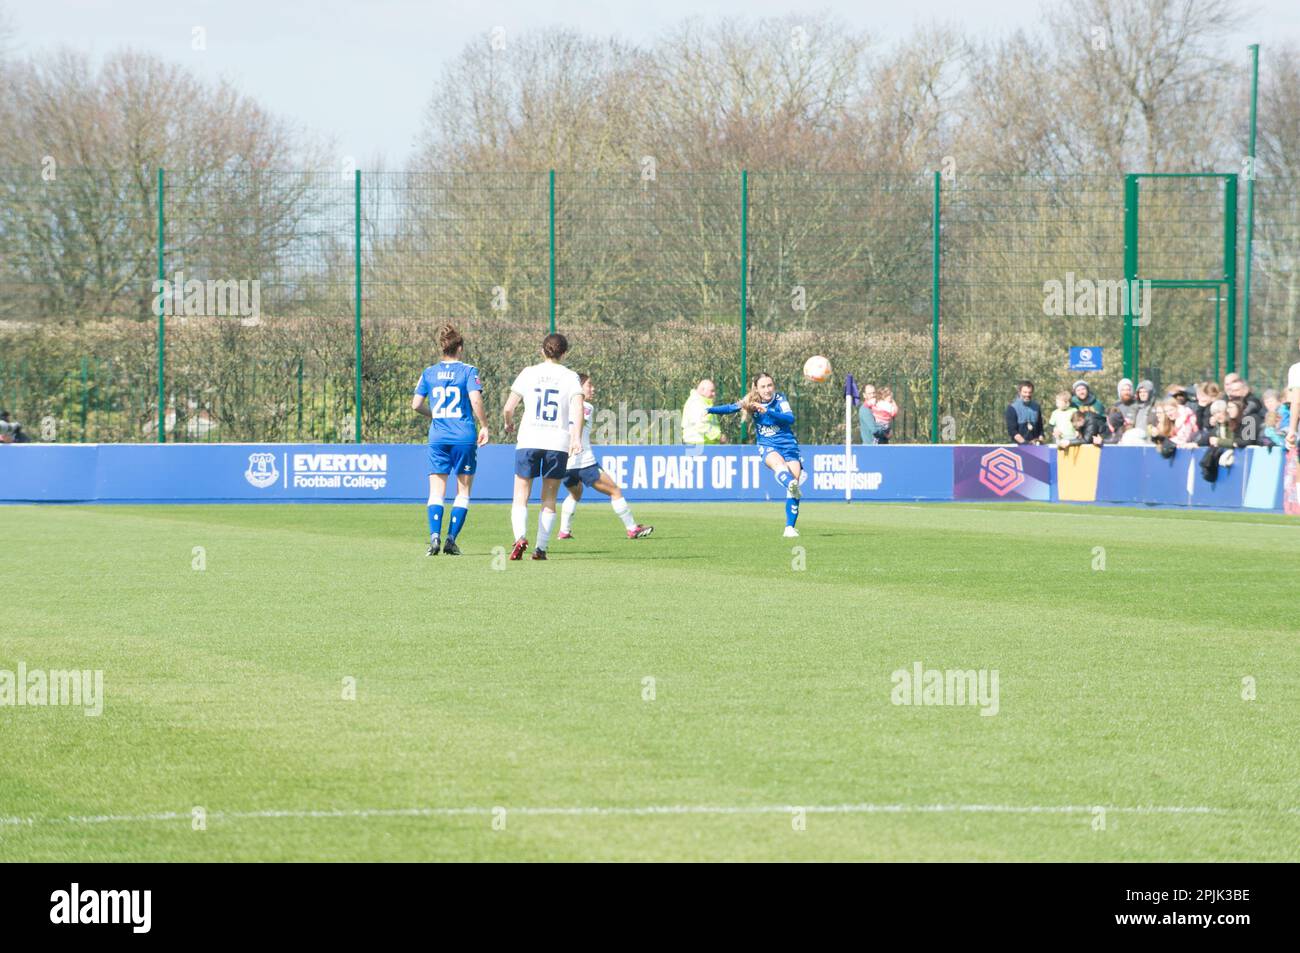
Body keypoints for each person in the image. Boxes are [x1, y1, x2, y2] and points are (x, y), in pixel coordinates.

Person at [502, 333, 584, 561]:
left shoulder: (529, 373)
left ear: (542, 351)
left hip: (529, 439)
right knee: (549, 497)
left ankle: (520, 537)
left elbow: (509, 407)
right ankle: (541, 548)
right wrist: (576, 438)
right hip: (557, 443)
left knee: (521, 494)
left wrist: (509, 423)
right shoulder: (570, 376)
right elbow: (578, 408)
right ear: (564, 353)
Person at [412, 324, 490, 556]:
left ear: (442, 347)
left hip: (438, 437)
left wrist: (435, 413)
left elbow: (415, 405)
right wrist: (484, 425)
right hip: (463, 436)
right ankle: (450, 539)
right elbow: (475, 400)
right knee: (463, 491)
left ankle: (434, 537)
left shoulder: (429, 372)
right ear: (460, 348)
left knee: (436, 491)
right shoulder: (468, 371)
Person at [557, 374, 653, 541]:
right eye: (589, 385)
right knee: (615, 491)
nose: (593, 389)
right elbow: (577, 423)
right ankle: (632, 528)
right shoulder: (585, 406)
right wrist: (576, 441)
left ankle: (564, 531)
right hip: (583, 461)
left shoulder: (561, 406)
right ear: (579, 388)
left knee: (575, 494)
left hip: (564, 463)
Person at [707, 372, 803, 537]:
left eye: (770, 385)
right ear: (757, 389)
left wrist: (767, 411)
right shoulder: (751, 400)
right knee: (779, 466)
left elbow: (789, 419)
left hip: (789, 446)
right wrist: (710, 409)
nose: (767, 389)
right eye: (763, 386)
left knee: (793, 489)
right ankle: (790, 483)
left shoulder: (780, 399)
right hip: (767, 446)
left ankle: (789, 528)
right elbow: (731, 407)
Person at [682, 379, 724, 445]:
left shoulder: (705, 404)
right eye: (712, 391)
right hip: (697, 447)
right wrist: (718, 436)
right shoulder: (696, 403)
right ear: (702, 390)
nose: (714, 394)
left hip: (705, 447)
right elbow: (701, 425)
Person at [1005, 380, 1044, 444]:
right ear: (1019, 392)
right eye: (1025, 392)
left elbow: (1040, 428)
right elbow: (1012, 431)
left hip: (1036, 448)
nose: (1027, 395)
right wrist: (1026, 443)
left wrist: (1040, 440)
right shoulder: (1012, 408)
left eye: (1030, 392)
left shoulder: (1036, 407)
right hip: (1018, 447)